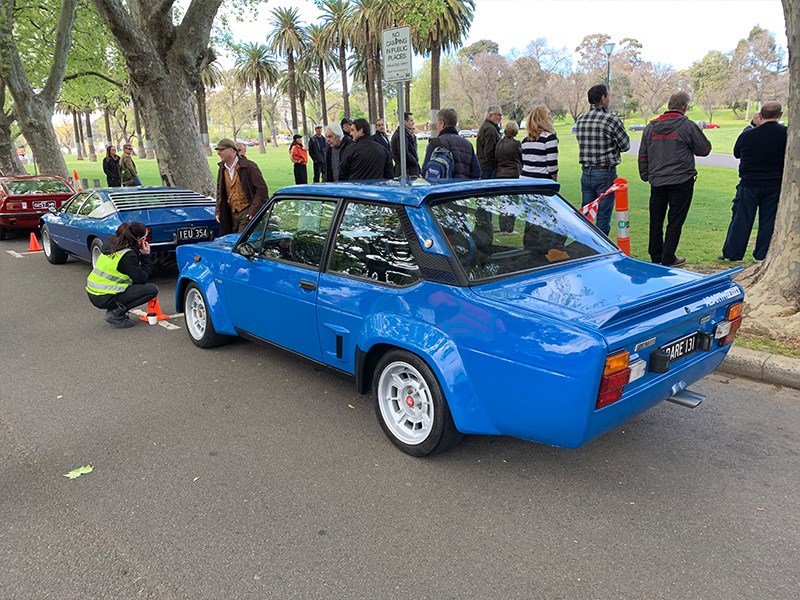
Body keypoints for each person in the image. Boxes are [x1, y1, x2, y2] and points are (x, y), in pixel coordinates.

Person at [638, 91, 712, 267]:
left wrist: (645, 175)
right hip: (681, 180)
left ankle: (656, 256)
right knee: (675, 221)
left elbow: (643, 155)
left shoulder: (651, 127)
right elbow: (704, 149)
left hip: (657, 181)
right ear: (685, 107)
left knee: (656, 221)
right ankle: (668, 257)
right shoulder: (687, 126)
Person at [720, 101, 787, 263]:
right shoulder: (786, 134)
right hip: (774, 183)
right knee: (768, 220)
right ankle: (761, 254)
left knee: (741, 218)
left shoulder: (748, 135)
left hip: (749, 182)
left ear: (760, 116)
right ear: (780, 115)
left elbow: (737, 153)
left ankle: (733, 253)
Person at [575, 84, 630, 235]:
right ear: (603, 99)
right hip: (605, 172)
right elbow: (626, 145)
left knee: (586, 214)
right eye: (608, 96)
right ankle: (601, 250)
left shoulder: (581, 120)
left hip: (586, 172)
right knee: (603, 216)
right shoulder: (611, 120)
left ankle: (585, 247)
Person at [85, 221, 158, 329]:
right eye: (144, 238)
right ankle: (115, 313)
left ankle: (115, 309)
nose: (145, 241)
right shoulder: (127, 255)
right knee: (152, 290)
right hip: (104, 295)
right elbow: (142, 279)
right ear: (138, 239)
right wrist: (146, 255)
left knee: (132, 285)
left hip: (93, 291)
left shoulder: (111, 242)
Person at [214, 137, 269, 235]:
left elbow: (262, 190)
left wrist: (253, 210)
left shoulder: (249, 166)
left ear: (231, 150)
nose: (218, 153)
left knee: (240, 242)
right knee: (232, 241)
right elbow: (220, 192)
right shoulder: (222, 168)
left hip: (247, 212)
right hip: (231, 213)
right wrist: (218, 211)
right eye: (218, 150)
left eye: (221, 150)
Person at [421, 108, 480, 179]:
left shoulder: (435, 143)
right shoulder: (468, 144)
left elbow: (425, 171)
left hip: (443, 188)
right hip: (463, 187)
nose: (436, 127)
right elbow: (476, 172)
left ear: (442, 124)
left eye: (437, 123)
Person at [520, 105, 558, 180]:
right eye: (549, 114)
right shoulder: (549, 138)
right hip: (541, 181)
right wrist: (554, 181)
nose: (551, 117)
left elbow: (524, 162)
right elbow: (552, 166)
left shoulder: (525, 139)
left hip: (524, 179)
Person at [476, 105, 503, 179]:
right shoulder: (490, 129)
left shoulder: (484, 127)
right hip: (488, 169)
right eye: (499, 115)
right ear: (491, 115)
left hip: (483, 166)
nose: (500, 117)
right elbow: (489, 151)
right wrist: (495, 166)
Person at [391, 111, 420, 177]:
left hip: (407, 169)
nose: (413, 122)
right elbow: (404, 154)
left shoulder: (405, 134)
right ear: (404, 122)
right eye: (411, 120)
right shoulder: (401, 135)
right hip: (406, 171)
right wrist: (415, 161)